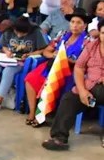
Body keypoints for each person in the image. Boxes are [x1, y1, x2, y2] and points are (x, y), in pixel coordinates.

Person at [42, 22, 104, 151]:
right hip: (90, 87)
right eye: (103, 33)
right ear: (99, 33)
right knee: (69, 98)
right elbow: (79, 67)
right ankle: (59, 138)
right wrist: (82, 91)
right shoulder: (91, 46)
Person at [25, 9, 88, 127]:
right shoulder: (62, 34)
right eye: (73, 22)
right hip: (54, 64)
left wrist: (64, 58)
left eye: (79, 22)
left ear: (84, 26)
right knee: (31, 78)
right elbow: (47, 51)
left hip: (70, 70)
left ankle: (42, 115)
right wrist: (55, 55)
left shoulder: (87, 41)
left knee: (53, 81)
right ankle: (32, 112)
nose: (74, 25)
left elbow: (82, 62)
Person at [0, 15, 48, 114]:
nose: (18, 35)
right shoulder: (9, 31)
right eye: (16, 32)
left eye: (22, 33)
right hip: (7, 58)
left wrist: (30, 54)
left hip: (21, 62)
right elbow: (3, 45)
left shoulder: (36, 33)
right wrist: (7, 51)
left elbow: (43, 49)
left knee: (7, 72)